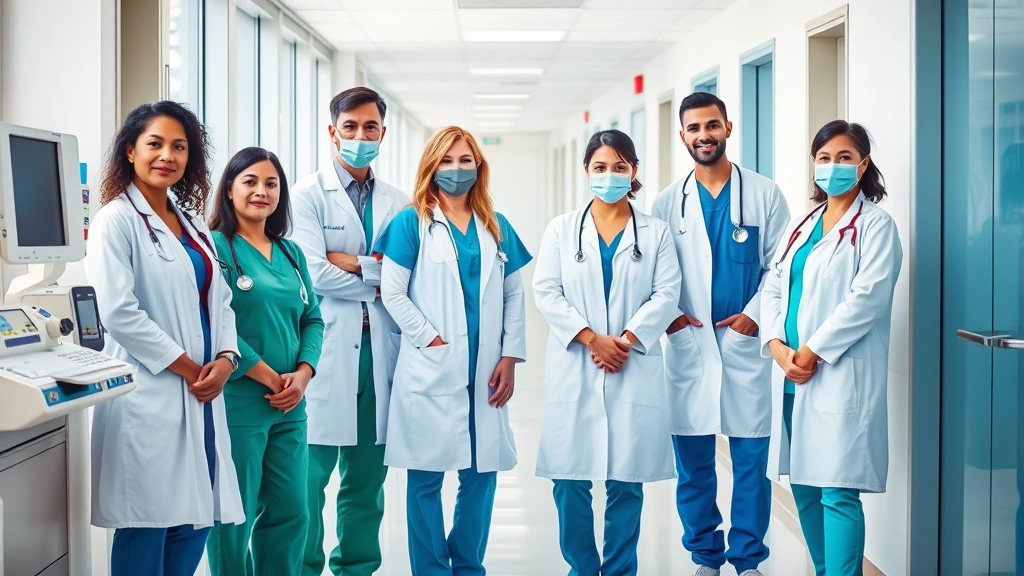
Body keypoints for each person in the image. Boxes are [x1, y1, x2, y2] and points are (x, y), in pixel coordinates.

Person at [85, 100, 244, 576]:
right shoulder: (115, 220)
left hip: (200, 395)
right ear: (130, 151)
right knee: (147, 524)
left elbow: (222, 301)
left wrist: (228, 357)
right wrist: (194, 369)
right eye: (155, 144)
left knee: (194, 522)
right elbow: (118, 311)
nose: (167, 156)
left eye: (179, 147)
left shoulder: (193, 223)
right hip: (149, 395)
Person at [375, 126, 531, 575]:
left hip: (486, 366)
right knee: (425, 477)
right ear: (431, 166)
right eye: (447, 160)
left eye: (465, 160)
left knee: (481, 473)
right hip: (432, 365)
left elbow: (514, 295)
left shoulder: (496, 225)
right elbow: (393, 293)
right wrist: (432, 340)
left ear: (478, 166)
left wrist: (509, 356)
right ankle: (430, 570)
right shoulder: (411, 222)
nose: (456, 169)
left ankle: (467, 567)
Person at [651, 92, 790, 576]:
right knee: (693, 461)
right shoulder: (668, 202)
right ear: (682, 135)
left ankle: (747, 557)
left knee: (751, 457)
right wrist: (668, 317)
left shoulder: (765, 193)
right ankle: (705, 555)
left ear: (729, 127)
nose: (703, 135)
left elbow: (780, 267)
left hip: (744, 342)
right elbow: (656, 274)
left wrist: (755, 314)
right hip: (689, 344)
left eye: (712, 125)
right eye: (694, 128)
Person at [534, 130, 680, 576]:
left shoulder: (654, 232)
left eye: (619, 167)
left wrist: (628, 339)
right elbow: (546, 290)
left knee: (626, 484)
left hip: (630, 363)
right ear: (586, 172)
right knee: (569, 482)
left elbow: (667, 293)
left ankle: (618, 571)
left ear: (634, 171)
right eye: (600, 167)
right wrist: (591, 338)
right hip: (578, 360)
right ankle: (582, 567)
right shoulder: (561, 228)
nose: (610, 175)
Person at [760, 120, 902, 576]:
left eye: (844, 158)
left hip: (837, 374)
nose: (833, 166)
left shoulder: (877, 226)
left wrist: (813, 351)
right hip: (790, 374)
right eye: (824, 158)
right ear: (814, 164)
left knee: (838, 490)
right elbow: (773, 287)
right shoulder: (801, 224)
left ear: (862, 165)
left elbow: (868, 299)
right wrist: (778, 347)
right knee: (803, 483)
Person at [290, 87, 409, 576]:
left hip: (379, 352)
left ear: (383, 132)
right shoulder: (304, 196)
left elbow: (408, 276)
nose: (360, 136)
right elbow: (313, 273)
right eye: (350, 127)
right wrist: (376, 272)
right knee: (307, 480)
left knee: (365, 481)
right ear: (332, 131)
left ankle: (357, 567)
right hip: (325, 351)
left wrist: (353, 266)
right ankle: (304, 567)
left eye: (370, 128)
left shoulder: (399, 201)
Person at [205, 147, 325, 576]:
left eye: (271, 183)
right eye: (250, 181)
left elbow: (313, 319)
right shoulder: (214, 247)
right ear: (230, 190)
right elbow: (216, 324)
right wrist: (269, 376)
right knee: (234, 517)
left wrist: (304, 374)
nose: (261, 191)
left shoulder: (291, 253)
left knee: (293, 511)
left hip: (291, 405)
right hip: (240, 402)